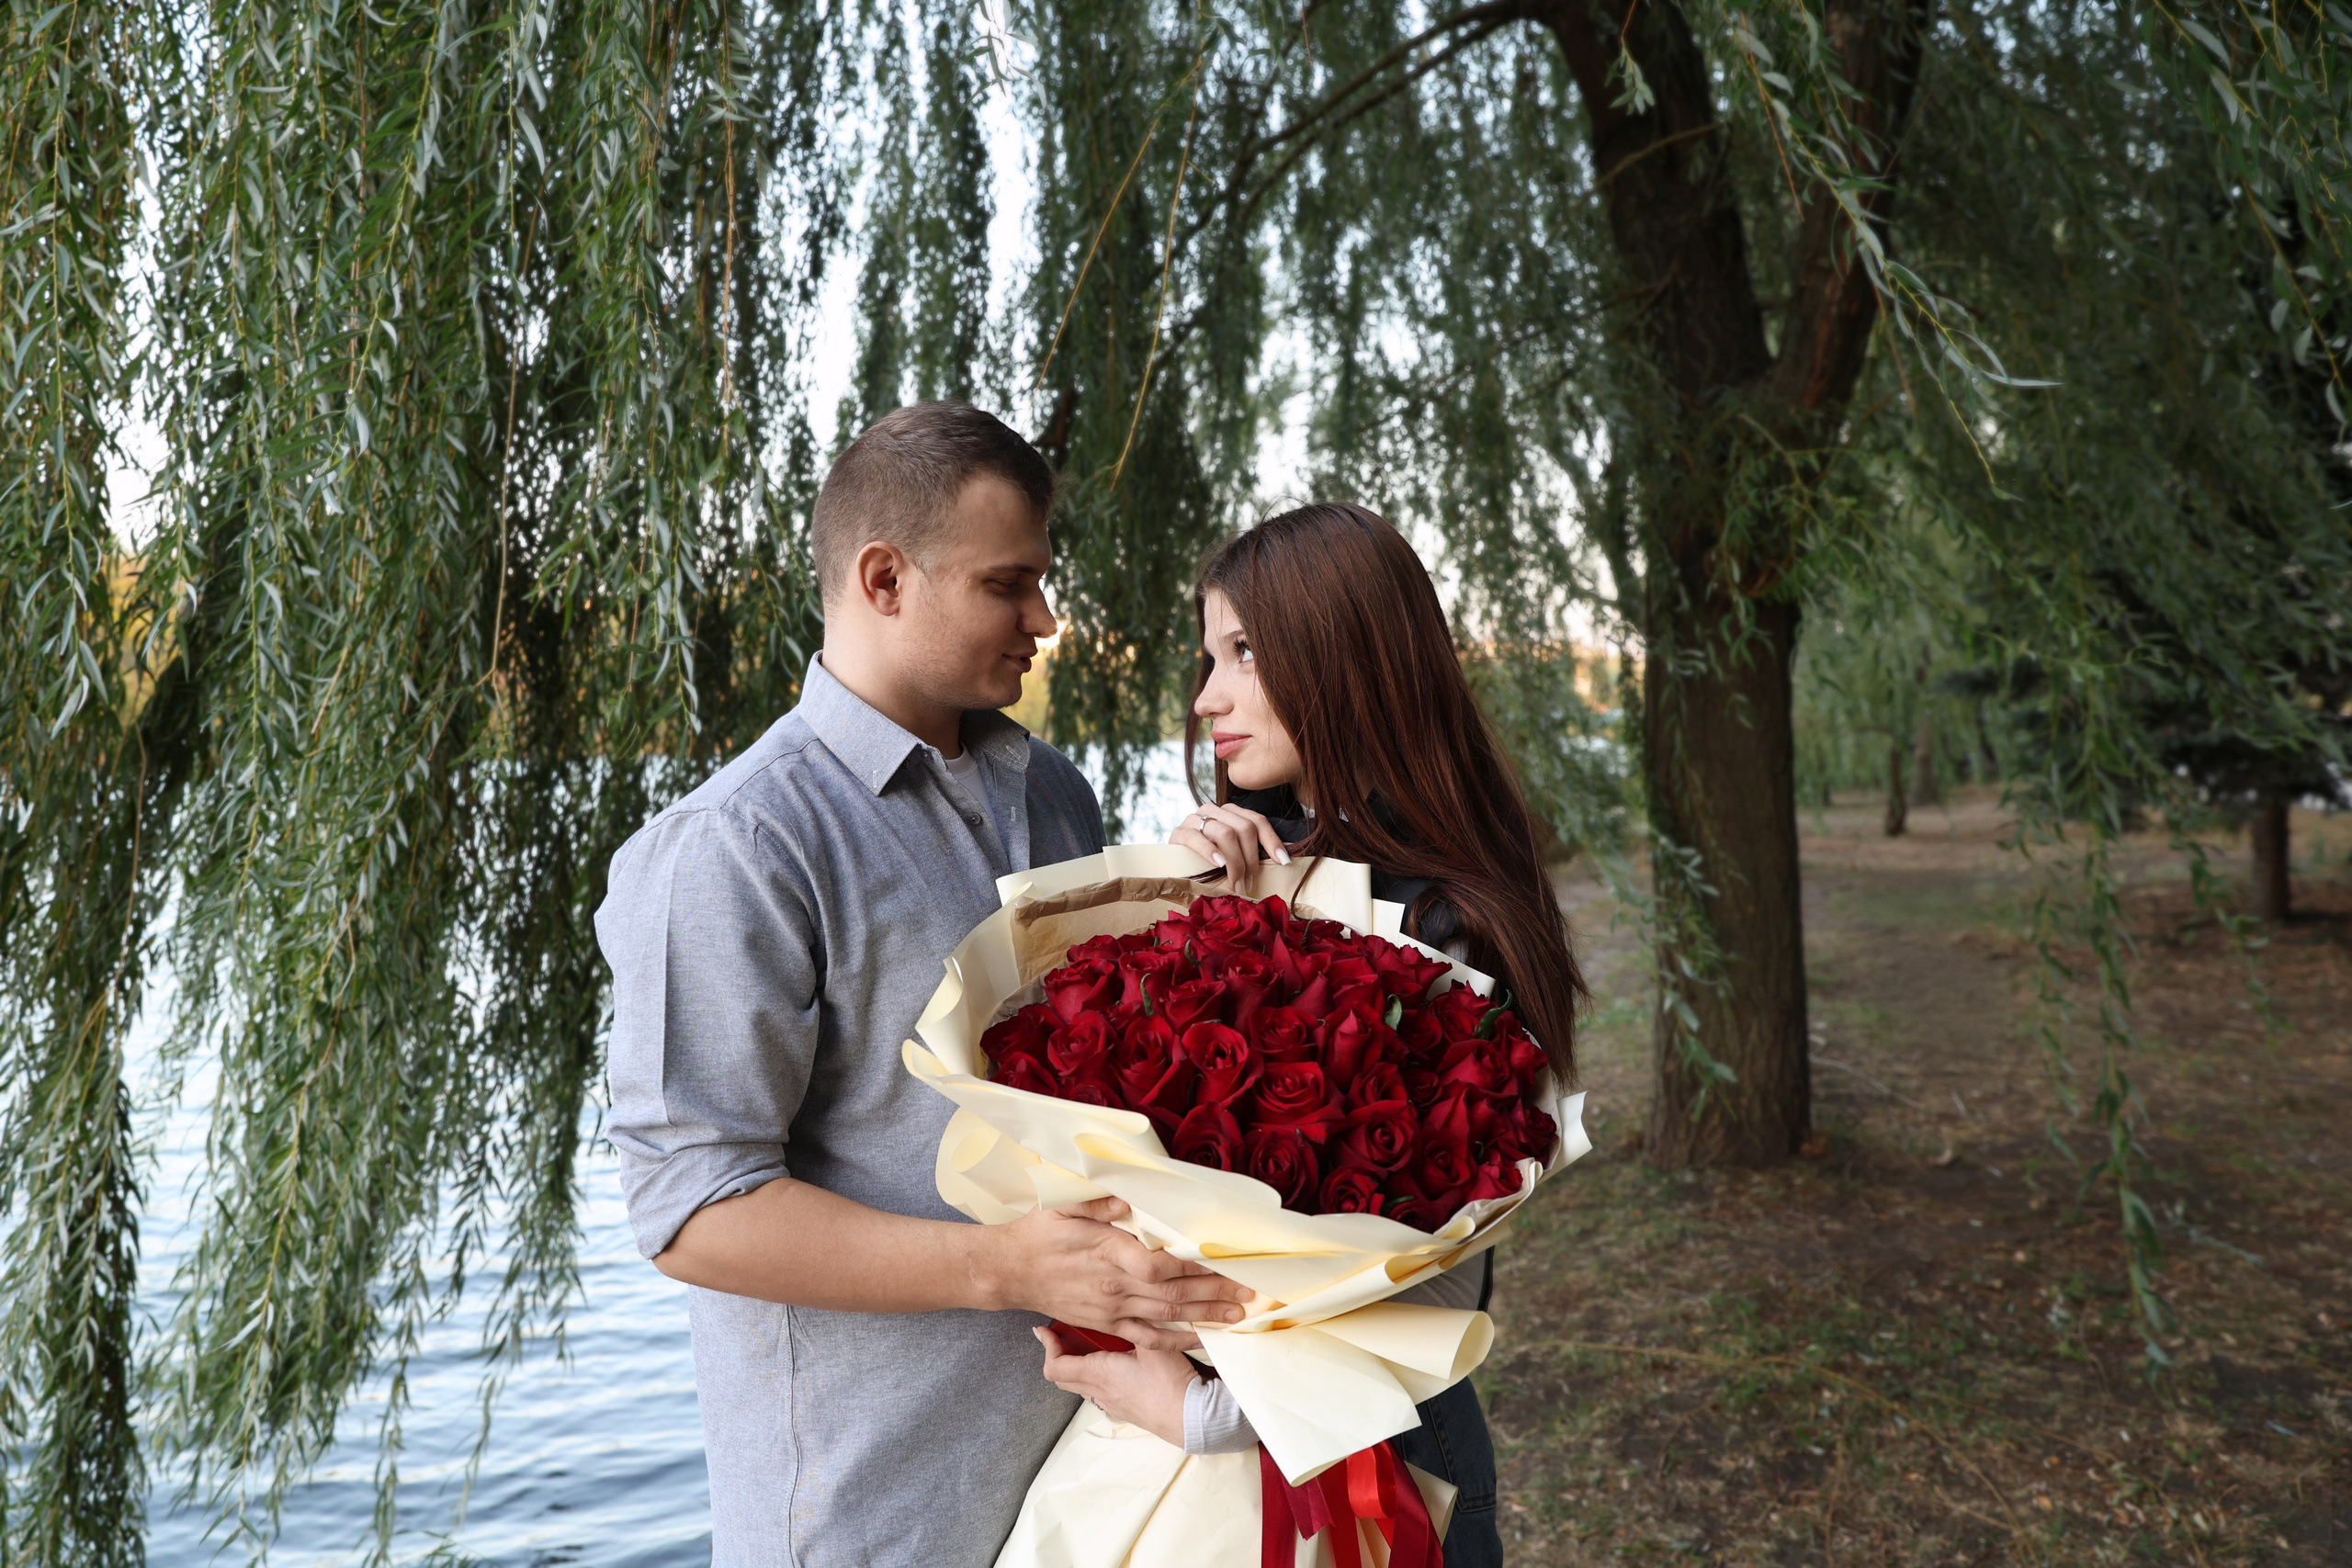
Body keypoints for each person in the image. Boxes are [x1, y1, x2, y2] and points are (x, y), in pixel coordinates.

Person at [595, 400, 1253, 1568]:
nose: (1045, 620)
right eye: (1010, 585)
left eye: (1042, 582)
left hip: (1087, 1485)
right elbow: (691, 1212)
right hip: (874, 1514)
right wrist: (1006, 1266)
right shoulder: (738, 846)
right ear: (885, 578)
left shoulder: (1054, 797)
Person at [1029, 502, 1586, 1567]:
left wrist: (1214, 1417)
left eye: (1243, 652)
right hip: (1195, 1441)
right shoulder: (1260, 860)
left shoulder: (1449, 917)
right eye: (1208, 656)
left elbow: (1440, 1263)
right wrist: (1199, 925)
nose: (1208, 697)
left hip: (1375, 1457)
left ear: (1346, 654)